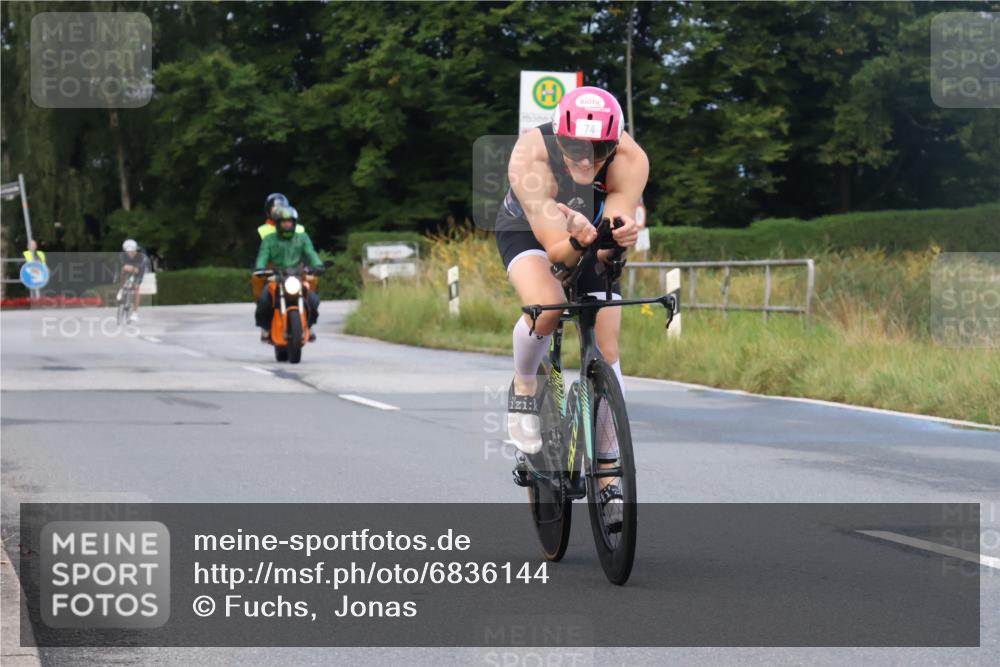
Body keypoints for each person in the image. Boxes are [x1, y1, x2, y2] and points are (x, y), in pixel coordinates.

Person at [495, 86, 648, 520]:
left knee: (607, 340)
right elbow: (556, 249)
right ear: (558, 138)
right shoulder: (532, 154)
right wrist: (578, 240)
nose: (585, 161)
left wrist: (615, 238)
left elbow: (611, 235)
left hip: (590, 230)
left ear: (616, 144)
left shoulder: (632, 160)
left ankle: (608, 474)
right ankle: (525, 384)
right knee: (549, 304)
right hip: (530, 230)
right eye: (575, 149)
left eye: (599, 151)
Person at [254, 205, 323, 341]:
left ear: (294, 222)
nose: (287, 224)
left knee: (314, 300)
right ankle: (266, 329)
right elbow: (263, 255)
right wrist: (260, 268)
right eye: (284, 222)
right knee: (263, 301)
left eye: (290, 221)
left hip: (298, 277)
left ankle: (309, 326)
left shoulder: (302, 238)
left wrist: (318, 265)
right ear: (278, 223)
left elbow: (311, 252)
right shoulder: (269, 239)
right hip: (276, 277)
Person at [119, 239, 149, 322]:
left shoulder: (142, 254)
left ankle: (135, 313)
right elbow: (122, 263)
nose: (129, 254)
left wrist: (134, 269)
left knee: (136, 287)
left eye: (131, 252)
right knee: (123, 270)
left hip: (140, 268)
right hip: (129, 265)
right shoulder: (122, 254)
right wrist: (126, 268)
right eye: (127, 252)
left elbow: (140, 268)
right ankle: (121, 289)